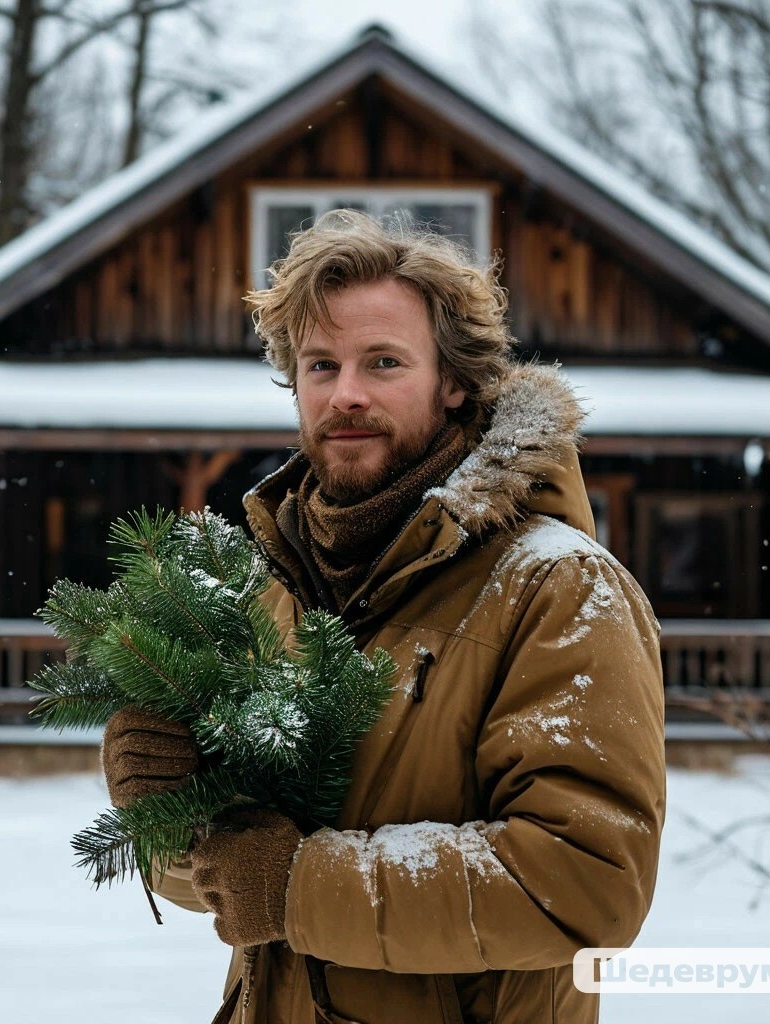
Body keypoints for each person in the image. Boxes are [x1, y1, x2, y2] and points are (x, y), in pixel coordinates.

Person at [101, 210, 666, 1024]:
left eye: (384, 362)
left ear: (455, 380)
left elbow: (587, 885)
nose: (347, 394)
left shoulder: (558, 588)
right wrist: (171, 810)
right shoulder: (275, 587)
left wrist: (300, 886)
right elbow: (236, 881)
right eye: (321, 364)